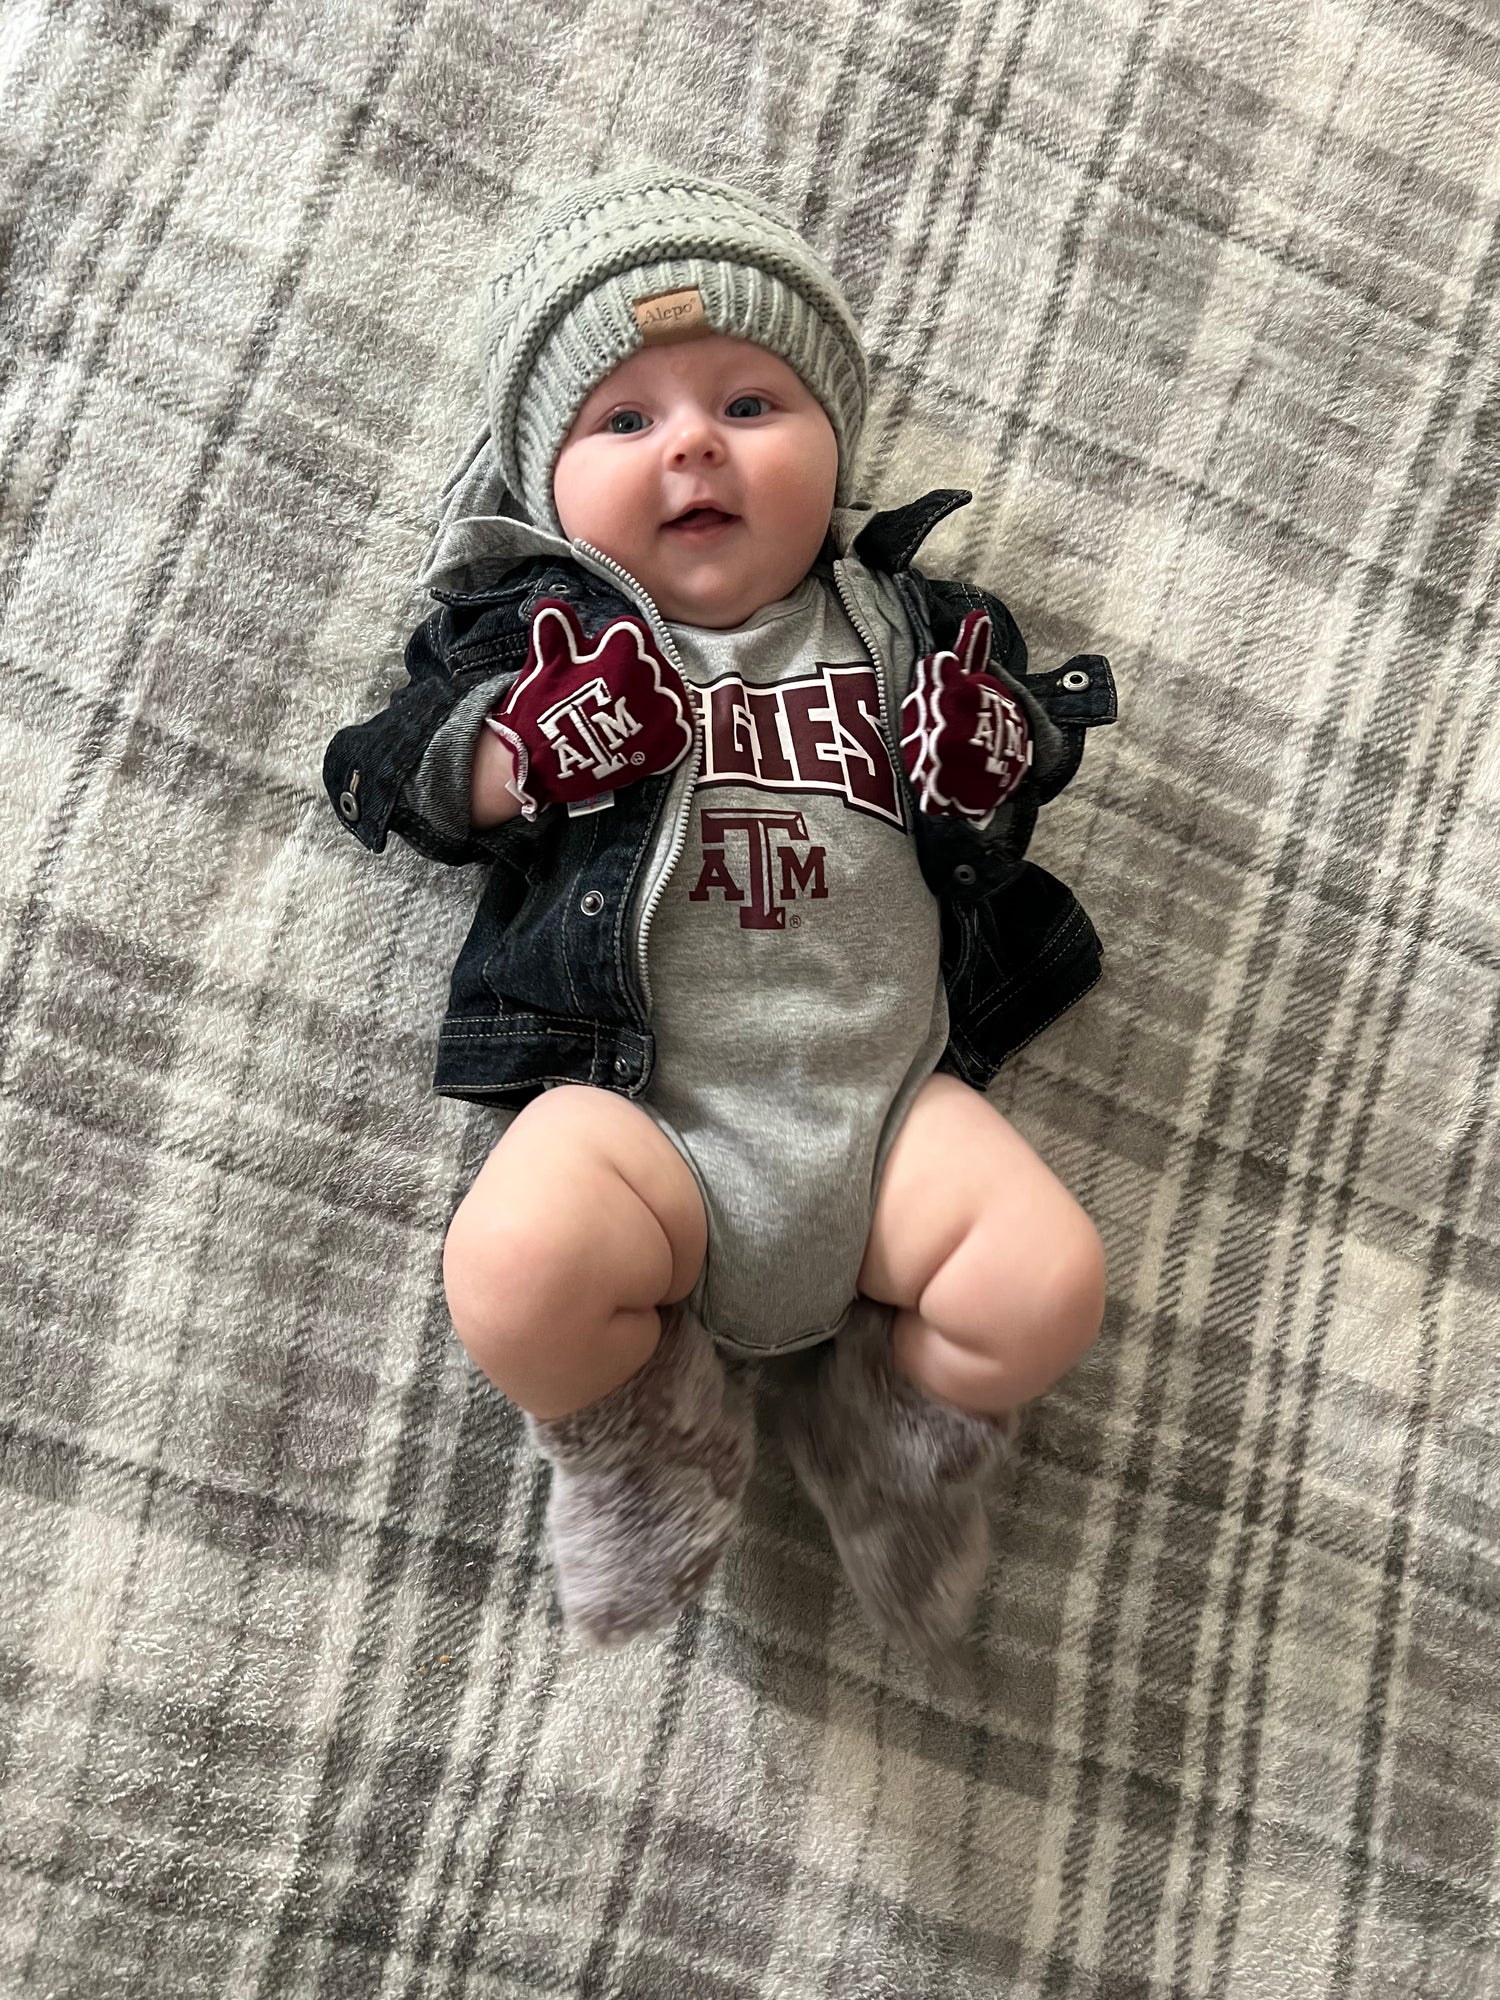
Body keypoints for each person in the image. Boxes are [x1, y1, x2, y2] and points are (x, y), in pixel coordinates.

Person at [323, 166, 1118, 1671]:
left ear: (835, 445)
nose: (691, 440)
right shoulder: (538, 640)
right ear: (541, 487)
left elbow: (1019, 758)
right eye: (623, 422)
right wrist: (520, 751)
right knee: (516, 1268)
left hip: (889, 1116)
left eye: (750, 403)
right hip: (645, 1118)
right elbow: (386, 774)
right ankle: (635, 1435)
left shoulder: (907, 625)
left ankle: (892, 1436)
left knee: (1043, 1283)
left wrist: (989, 758)